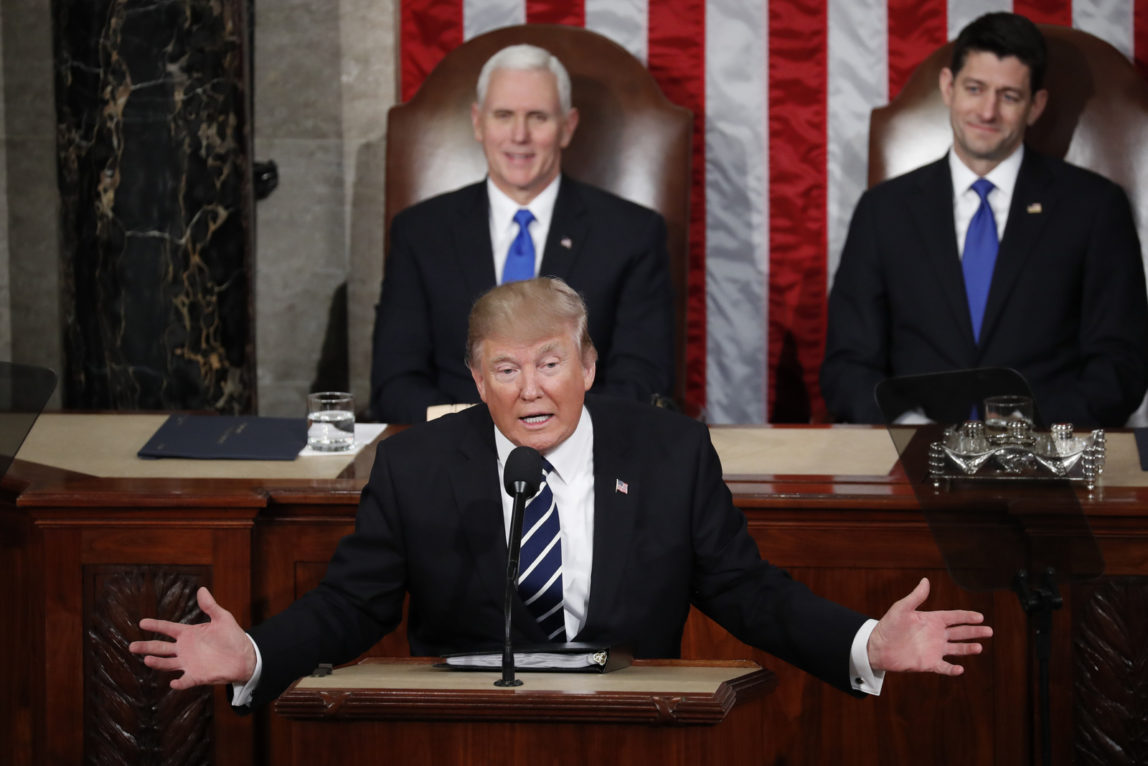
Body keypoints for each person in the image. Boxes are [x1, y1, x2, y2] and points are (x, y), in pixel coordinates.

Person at [131, 277, 991, 709]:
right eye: (506, 369)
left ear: (587, 366)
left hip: (634, 722)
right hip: (466, 732)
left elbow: (746, 590)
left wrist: (866, 643)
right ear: (477, 378)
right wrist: (255, 658)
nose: (531, 390)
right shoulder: (417, 465)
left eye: (550, 363)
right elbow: (350, 606)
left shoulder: (669, 453)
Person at [821, 12, 1148, 428]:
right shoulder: (883, 211)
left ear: (1036, 106)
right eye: (975, 89)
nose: (987, 111)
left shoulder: (1095, 208)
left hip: (1047, 468)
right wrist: (905, 426)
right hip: (913, 468)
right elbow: (847, 366)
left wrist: (1034, 433)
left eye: (1009, 96)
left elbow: (1120, 366)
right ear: (948, 87)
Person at [369, 43, 674, 423]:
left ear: (568, 126)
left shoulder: (631, 233)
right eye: (503, 115)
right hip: (451, 456)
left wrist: (550, 432)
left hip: (585, 457)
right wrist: (479, 436)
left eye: (537, 117)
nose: (519, 135)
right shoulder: (420, 232)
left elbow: (642, 379)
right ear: (478, 123)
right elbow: (395, 381)